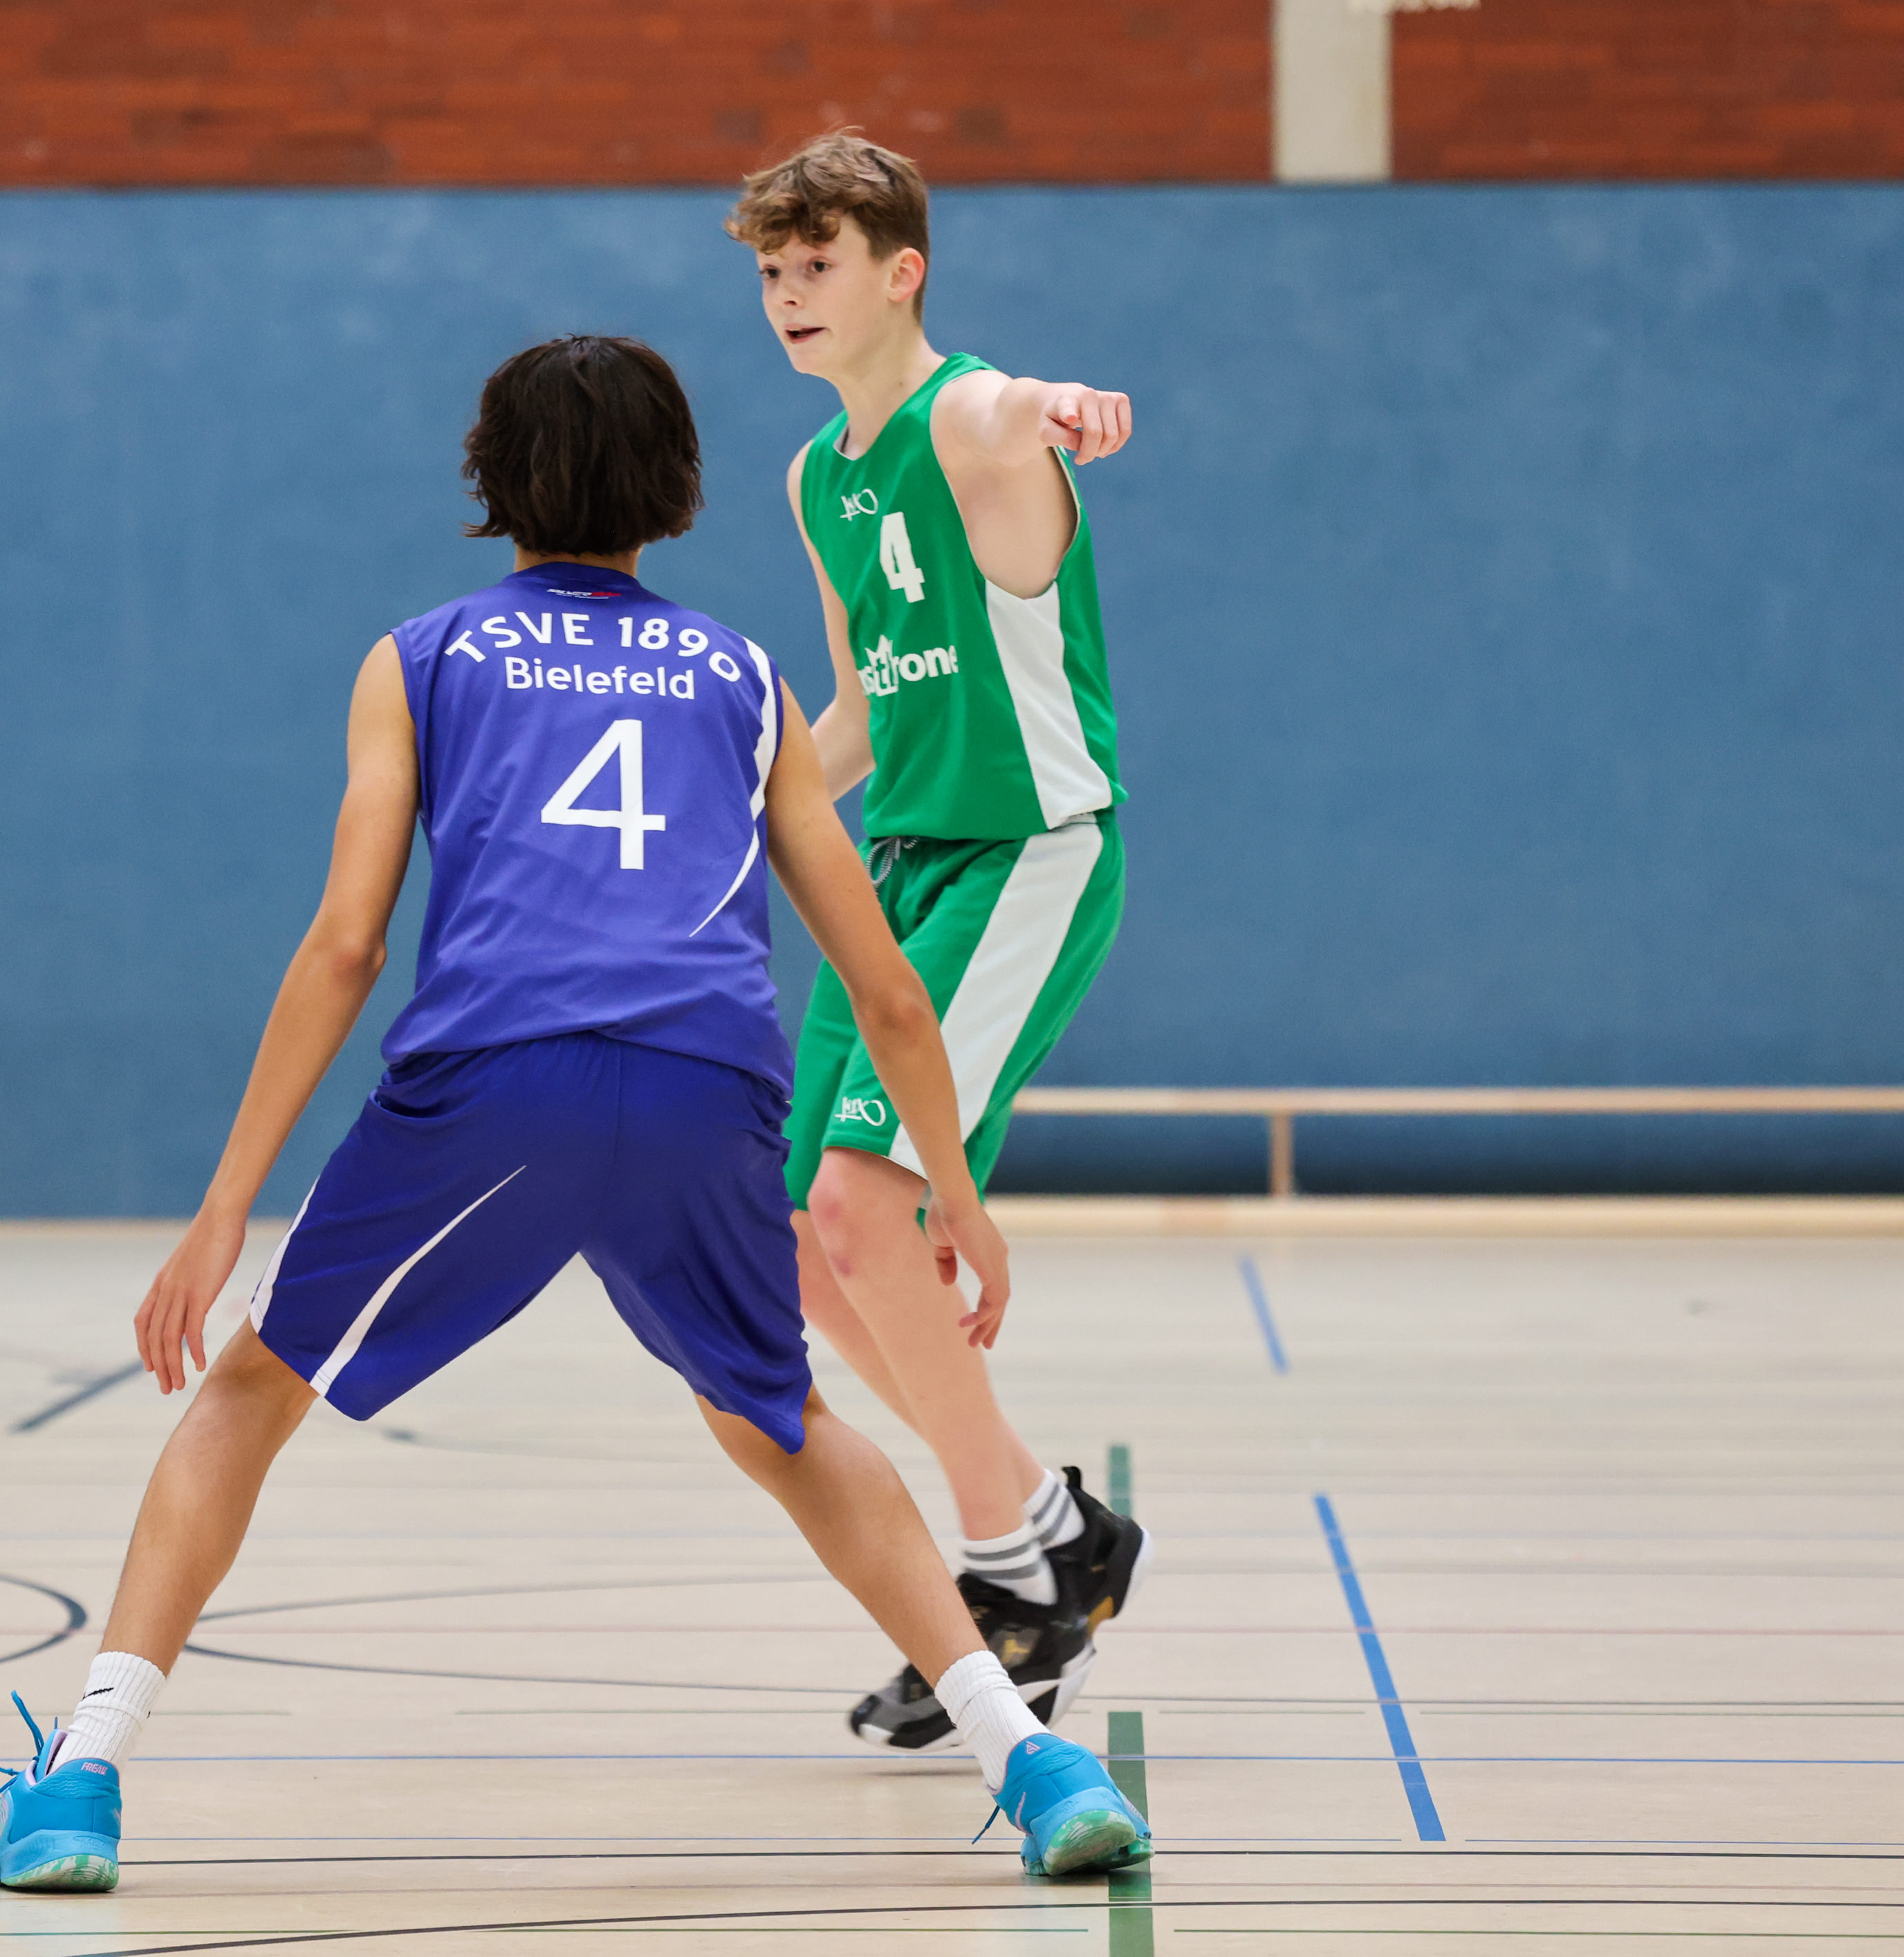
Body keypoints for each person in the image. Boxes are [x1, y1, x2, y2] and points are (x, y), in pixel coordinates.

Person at [0, 334, 1151, 1895]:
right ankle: (1035, 1761)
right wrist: (959, 1201)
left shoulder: (423, 658)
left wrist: (226, 1198)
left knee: (248, 1392)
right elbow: (885, 985)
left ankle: (81, 1777)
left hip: (495, 1078)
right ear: (678, 489)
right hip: (706, 1083)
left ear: (488, 480)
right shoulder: (741, 679)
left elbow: (348, 945)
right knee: (781, 1421)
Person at [725, 132, 1152, 1754]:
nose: (789, 294)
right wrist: (727, 816)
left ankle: (1017, 1572)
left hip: (1027, 850)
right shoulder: (815, 476)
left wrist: (1071, 408)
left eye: (817, 264)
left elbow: (1025, 407)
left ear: (901, 272)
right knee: (792, 1232)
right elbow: (856, 717)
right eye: (772, 272)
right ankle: (1047, 1531)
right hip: (902, 862)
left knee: (861, 1199)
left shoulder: (971, 419)